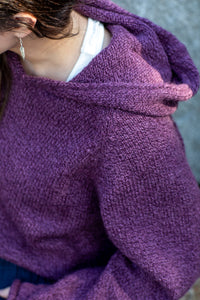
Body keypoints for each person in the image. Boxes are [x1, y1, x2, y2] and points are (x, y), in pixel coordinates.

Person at [0, 0, 200, 299]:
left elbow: (168, 263)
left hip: (41, 278)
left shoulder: (126, 127)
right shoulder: (15, 46)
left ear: (23, 25)